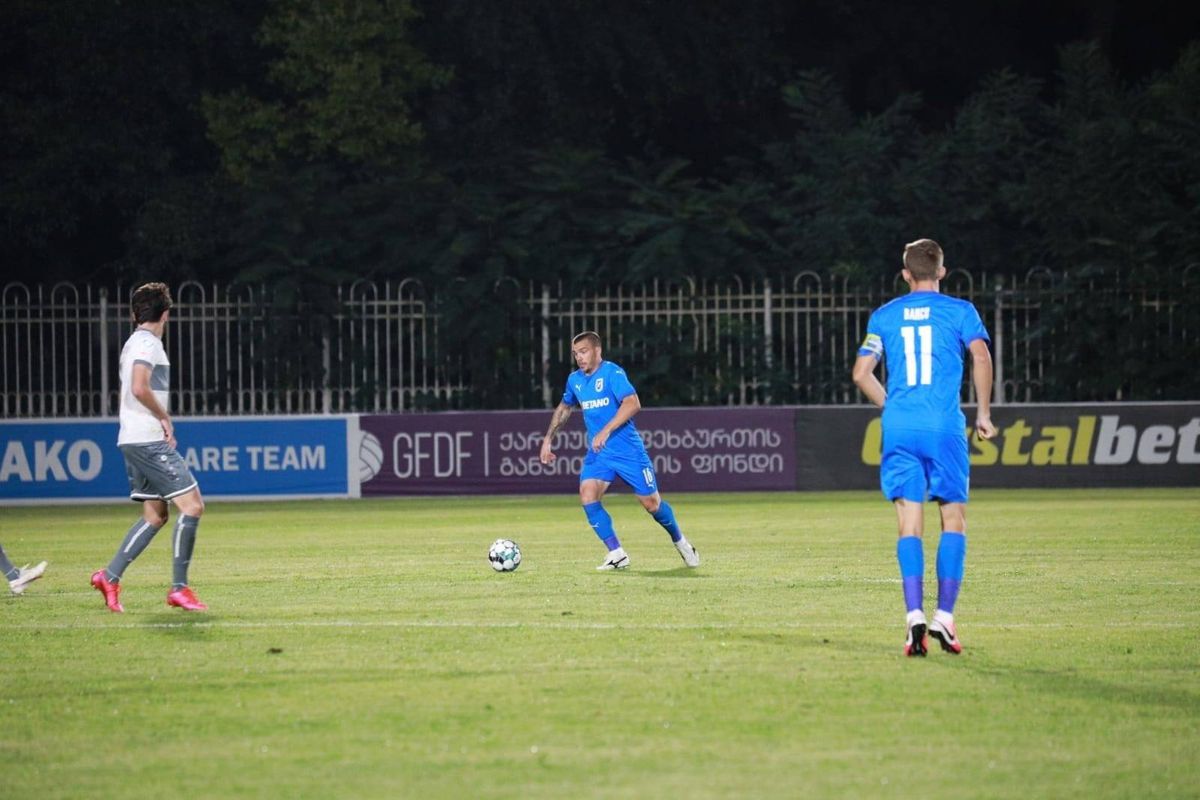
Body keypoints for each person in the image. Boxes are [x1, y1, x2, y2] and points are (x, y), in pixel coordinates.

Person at [852, 239, 995, 656]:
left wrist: (892, 406)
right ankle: (944, 618)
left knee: (907, 525)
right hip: (942, 426)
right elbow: (981, 357)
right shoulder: (960, 312)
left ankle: (913, 614)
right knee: (953, 520)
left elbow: (862, 373)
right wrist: (984, 414)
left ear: (905, 274)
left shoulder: (885, 316)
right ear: (942, 272)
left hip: (899, 428)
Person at [539, 331, 700, 571]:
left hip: (627, 452)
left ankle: (681, 542)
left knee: (652, 505)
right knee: (587, 494)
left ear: (597, 351)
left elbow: (633, 403)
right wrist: (548, 439)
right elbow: (564, 407)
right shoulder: (575, 380)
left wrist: (605, 431)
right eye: (575, 354)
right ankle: (616, 552)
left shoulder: (612, 373)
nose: (579, 358)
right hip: (599, 454)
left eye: (583, 352)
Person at [91, 282, 208, 613]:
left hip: (131, 437)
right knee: (193, 506)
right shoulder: (148, 344)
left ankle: (109, 576)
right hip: (147, 439)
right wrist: (164, 417)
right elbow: (140, 388)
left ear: (133, 314)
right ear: (166, 314)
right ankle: (179, 589)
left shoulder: (133, 342)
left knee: (155, 516)